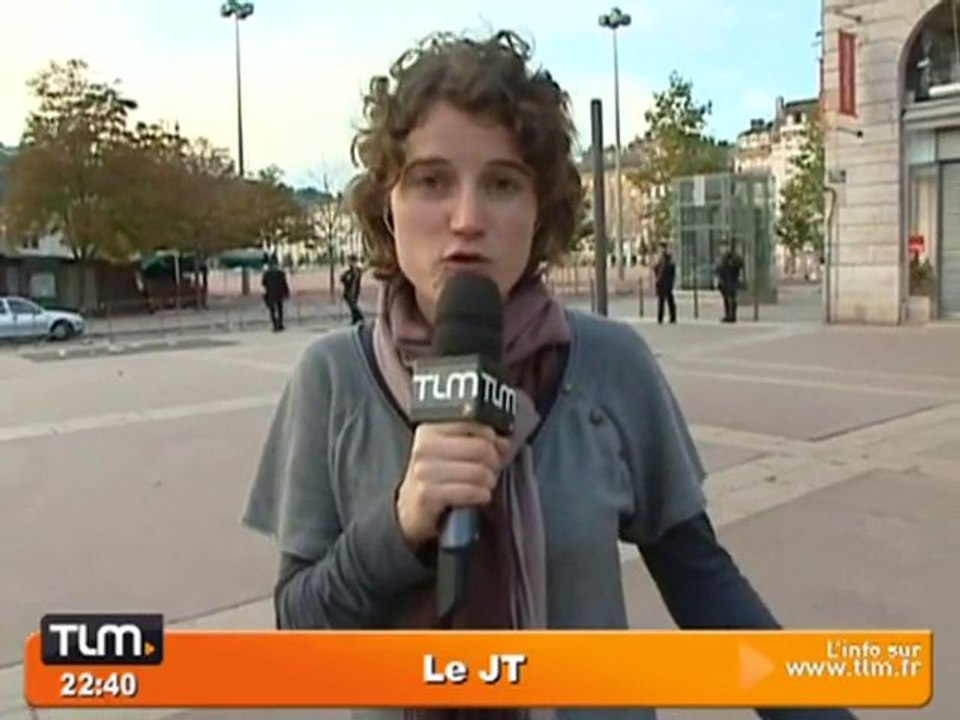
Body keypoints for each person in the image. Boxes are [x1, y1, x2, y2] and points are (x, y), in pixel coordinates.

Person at [241, 30, 857, 720]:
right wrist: (402, 522)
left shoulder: (611, 365)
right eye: (432, 181)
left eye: (502, 183)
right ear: (389, 204)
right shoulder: (331, 381)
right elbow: (302, 631)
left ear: (541, 213)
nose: (467, 220)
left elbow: (705, 586)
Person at [715, 244, 743, 323]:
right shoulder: (723, 260)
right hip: (725, 282)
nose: (723, 250)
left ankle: (732, 315)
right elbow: (718, 271)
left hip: (731, 282)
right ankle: (728, 315)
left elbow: (739, 265)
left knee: (731, 299)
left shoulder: (733, 259)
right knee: (727, 299)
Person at [261, 257, 290, 332]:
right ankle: (280, 324)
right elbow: (284, 284)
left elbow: (263, 284)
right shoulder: (280, 273)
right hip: (279, 293)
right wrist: (286, 293)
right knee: (279, 309)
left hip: (271, 293)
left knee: (273, 310)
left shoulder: (267, 274)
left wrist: (264, 294)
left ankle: (275, 324)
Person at [652, 243, 676, 324]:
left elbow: (672, 270)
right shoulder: (660, 259)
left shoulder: (668, 259)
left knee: (669, 301)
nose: (661, 250)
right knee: (662, 301)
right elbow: (655, 269)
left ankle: (672, 317)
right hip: (662, 282)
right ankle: (660, 318)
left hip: (666, 281)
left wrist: (671, 280)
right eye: (660, 249)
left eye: (662, 249)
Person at [340, 254, 365, 325]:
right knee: (352, 305)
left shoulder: (356, 270)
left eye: (350, 261)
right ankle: (355, 318)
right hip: (348, 291)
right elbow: (343, 278)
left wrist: (352, 292)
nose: (348, 262)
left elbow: (354, 281)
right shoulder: (350, 270)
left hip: (352, 290)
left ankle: (359, 317)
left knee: (353, 304)